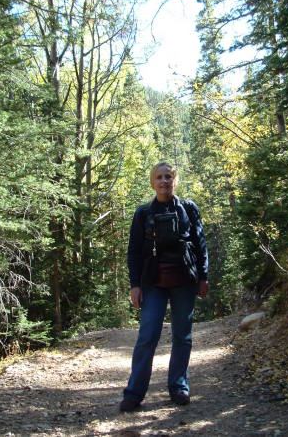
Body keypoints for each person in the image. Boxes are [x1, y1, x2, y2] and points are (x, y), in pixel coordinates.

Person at [120, 162, 209, 412]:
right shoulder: (142, 213)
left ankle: (179, 387)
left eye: (168, 176)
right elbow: (134, 252)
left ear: (175, 180)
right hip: (152, 284)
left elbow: (201, 245)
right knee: (147, 336)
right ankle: (134, 393)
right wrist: (134, 285)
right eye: (159, 177)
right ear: (152, 182)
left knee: (183, 336)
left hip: (185, 283)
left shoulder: (189, 210)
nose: (164, 181)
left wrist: (204, 277)